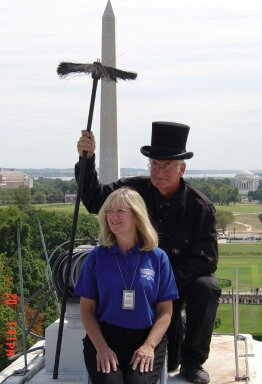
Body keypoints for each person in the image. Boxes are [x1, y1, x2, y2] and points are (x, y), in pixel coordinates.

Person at [76, 121, 221, 384]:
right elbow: (95, 201)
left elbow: (206, 260)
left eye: (166, 166)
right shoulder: (133, 191)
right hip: (134, 278)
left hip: (176, 278)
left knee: (207, 287)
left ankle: (192, 363)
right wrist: (86, 160)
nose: (159, 171)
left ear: (182, 169)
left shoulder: (200, 207)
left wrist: (164, 281)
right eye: (154, 164)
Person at [74, 187, 178, 384]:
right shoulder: (97, 257)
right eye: (109, 211)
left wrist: (149, 346)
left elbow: (165, 312)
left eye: (120, 211)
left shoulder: (157, 257)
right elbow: (86, 309)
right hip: (105, 338)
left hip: (145, 338)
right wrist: (102, 348)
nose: (113, 217)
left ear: (137, 216)